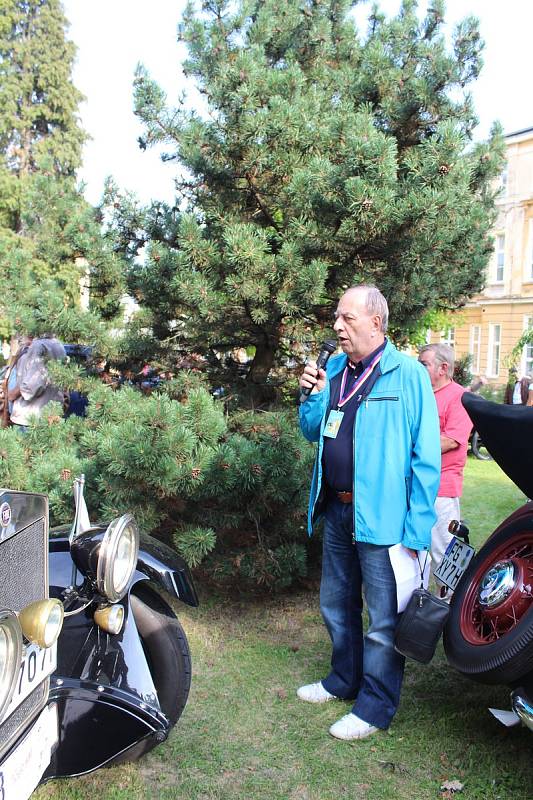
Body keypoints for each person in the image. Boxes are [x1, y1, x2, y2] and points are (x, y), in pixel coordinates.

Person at [297, 285, 440, 741]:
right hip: (338, 513)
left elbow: (426, 457)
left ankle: (375, 706)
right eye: (337, 318)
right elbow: (311, 431)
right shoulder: (335, 368)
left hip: (384, 522)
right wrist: (312, 396)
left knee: (383, 620)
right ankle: (343, 680)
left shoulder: (409, 375)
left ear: (375, 323)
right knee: (336, 606)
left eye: (347, 318)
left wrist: (417, 532)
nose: (337, 326)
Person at [418, 344, 473, 589]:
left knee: (446, 556)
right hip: (416, 485)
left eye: (424, 364)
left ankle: (453, 615)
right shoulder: (422, 393)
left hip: (441, 489)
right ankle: (419, 613)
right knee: (415, 553)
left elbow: (450, 440)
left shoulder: (459, 397)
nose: (419, 368)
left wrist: (409, 445)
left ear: (443, 368)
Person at [9, 335, 66, 429]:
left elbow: (31, 386)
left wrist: (12, 395)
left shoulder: (39, 346)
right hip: (50, 417)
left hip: (30, 420)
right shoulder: (58, 344)